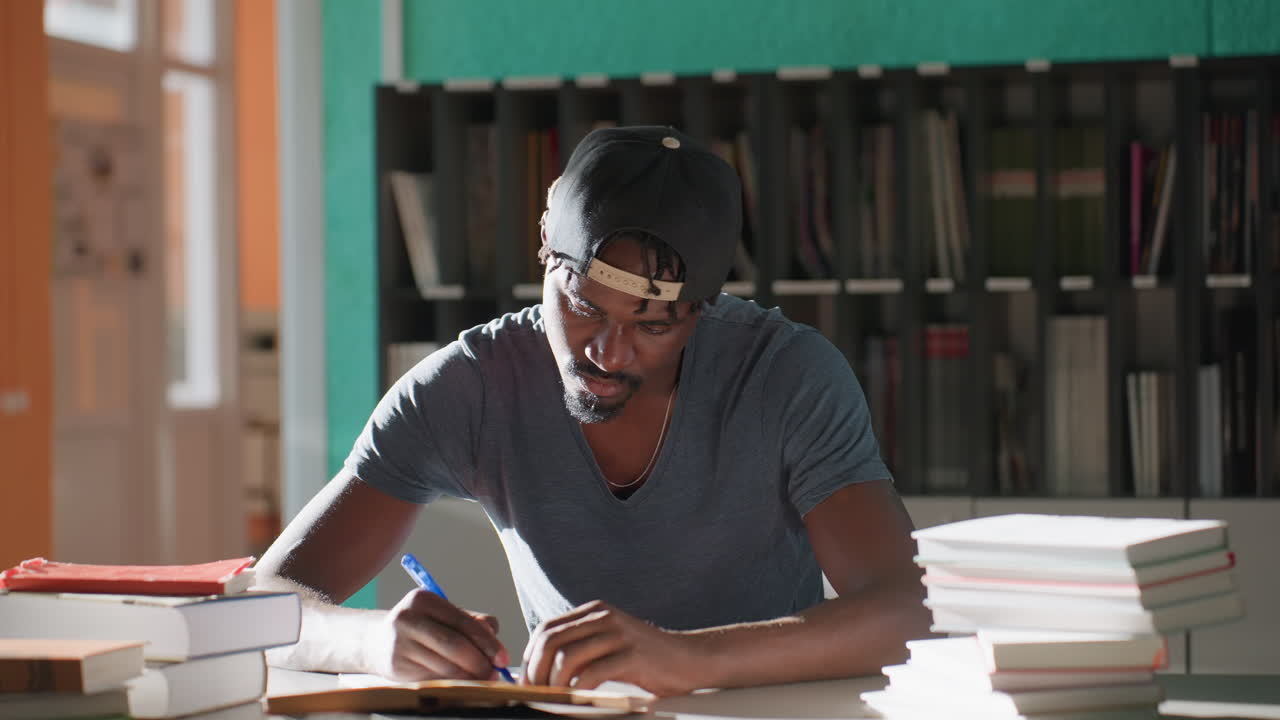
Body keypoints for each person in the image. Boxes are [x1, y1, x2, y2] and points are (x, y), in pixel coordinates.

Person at [254, 125, 930, 697]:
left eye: (654, 325)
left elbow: (909, 609)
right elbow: (261, 606)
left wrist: (687, 660)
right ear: (544, 254)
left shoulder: (786, 377)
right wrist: (373, 641)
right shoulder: (469, 388)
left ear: (702, 310)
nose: (607, 351)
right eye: (581, 306)